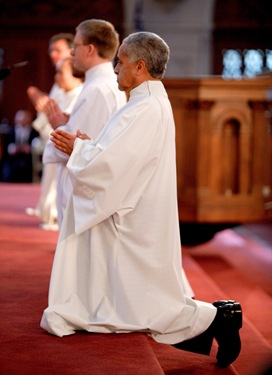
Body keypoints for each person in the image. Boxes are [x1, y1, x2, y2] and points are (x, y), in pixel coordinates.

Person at [41, 32, 242, 368]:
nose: (116, 67)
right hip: (136, 204)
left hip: (135, 212)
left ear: (139, 66)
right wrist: (90, 146)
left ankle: (218, 317)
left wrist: (79, 150)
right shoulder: (142, 102)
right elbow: (118, 154)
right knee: (139, 295)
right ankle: (212, 320)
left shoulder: (144, 107)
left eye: (121, 62)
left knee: (148, 300)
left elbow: (115, 164)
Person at [42, 19, 127, 227]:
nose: (72, 53)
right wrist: (66, 123)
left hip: (84, 193)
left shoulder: (98, 88)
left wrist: (58, 127)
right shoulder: (100, 83)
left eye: (75, 46)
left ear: (90, 49)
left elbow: (76, 149)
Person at [26, 33, 75, 230]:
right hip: (54, 137)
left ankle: (54, 213)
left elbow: (66, 116)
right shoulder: (60, 79)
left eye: (58, 50)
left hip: (66, 139)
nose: (53, 54)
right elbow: (51, 108)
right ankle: (47, 211)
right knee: (50, 175)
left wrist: (46, 106)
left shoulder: (76, 78)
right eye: (51, 50)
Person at [1, 110, 39, 182]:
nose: (22, 121)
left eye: (25, 119)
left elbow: (36, 145)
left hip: (28, 161)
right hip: (13, 161)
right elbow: (6, 147)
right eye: (20, 120)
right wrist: (13, 148)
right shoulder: (10, 132)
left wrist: (29, 148)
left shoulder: (34, 132)